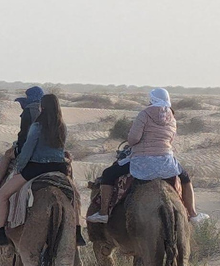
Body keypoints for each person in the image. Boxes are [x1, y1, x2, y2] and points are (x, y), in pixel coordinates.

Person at [87, 88, 209, 224]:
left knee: (108, 174)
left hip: (142, 161)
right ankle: (192, 214)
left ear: (152, 99)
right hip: (166, 162)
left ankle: (103, 213)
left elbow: (133, 139)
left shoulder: (144, 114)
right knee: (185, 178)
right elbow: (170, 139)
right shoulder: (172, 117)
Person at [0, 94, 68, 247]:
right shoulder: (62, 127)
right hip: (60, 168)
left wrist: (19, 169)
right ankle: (76, 230)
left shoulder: (37, 126)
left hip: (37, 166)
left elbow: (28, 150)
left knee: (3, 195)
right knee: (73, 195)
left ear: (42, 107)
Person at [0, 86, 45, 190]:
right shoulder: (48, 110)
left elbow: (24, 135)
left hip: (30, 147)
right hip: (48, 148)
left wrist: (18, 149)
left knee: (7, 156)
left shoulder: (29, 111)